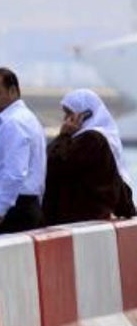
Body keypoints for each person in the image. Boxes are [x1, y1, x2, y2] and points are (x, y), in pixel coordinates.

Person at [43, 88, 136, 224]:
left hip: (77, 219)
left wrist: (64, 135)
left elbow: (52, 163)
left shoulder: (91, 140)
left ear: (84, 115)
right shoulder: (101, 138)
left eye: (69, 114)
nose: (65, 120)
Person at [0, 67, 46, 235]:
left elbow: (16, 172)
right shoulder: (26, 118)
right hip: (23, 205)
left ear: (13, 91)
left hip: (12, 210)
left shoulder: (14, 123)